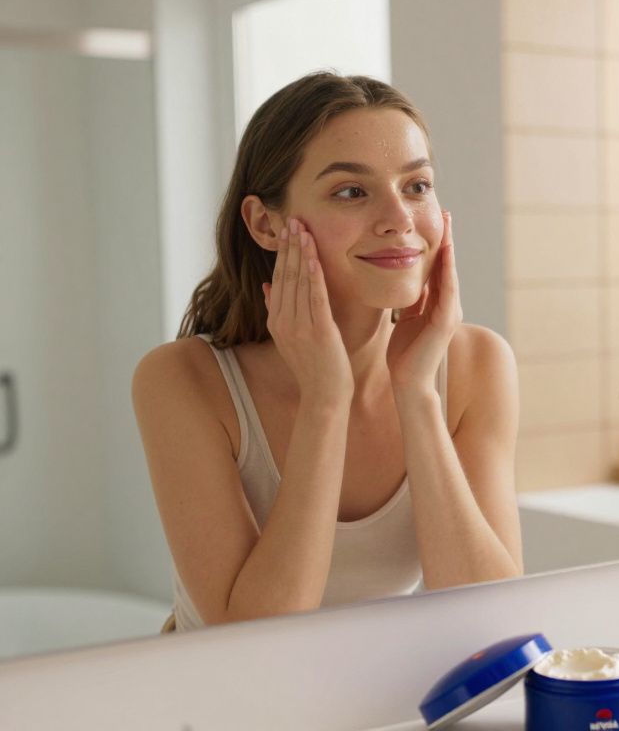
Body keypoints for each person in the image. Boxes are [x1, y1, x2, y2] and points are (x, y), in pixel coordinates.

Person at [132, 72, 522, 631]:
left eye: (417, 186)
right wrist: (325, 400)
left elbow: (494, 618)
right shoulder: (182, 380)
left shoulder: (476, 365)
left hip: (378, 684)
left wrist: (416, 393)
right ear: (265, 223)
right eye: (351, 192)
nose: (400, 220)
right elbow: (248, 638)